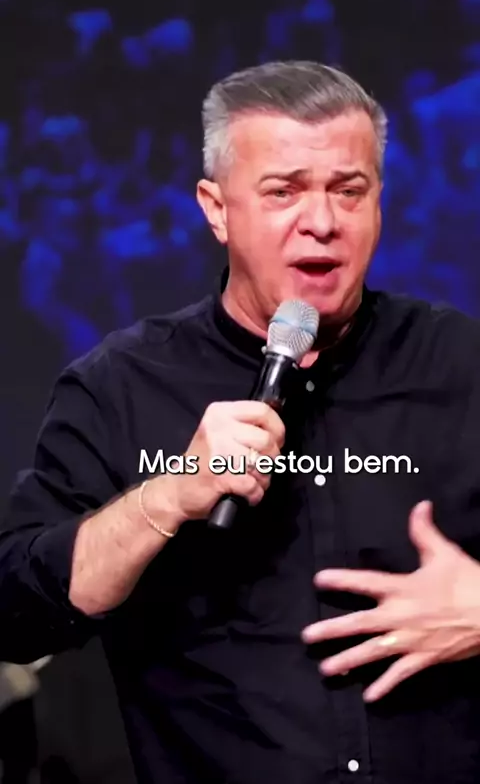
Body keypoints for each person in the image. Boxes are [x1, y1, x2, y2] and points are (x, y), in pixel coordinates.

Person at [1, 60, 480, 784]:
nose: (322, 221)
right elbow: (15, 613)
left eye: (348, 190)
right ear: (216, 208)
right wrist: (168, 495)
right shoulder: (121, 387)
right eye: (284, 191)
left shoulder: (460, 363)